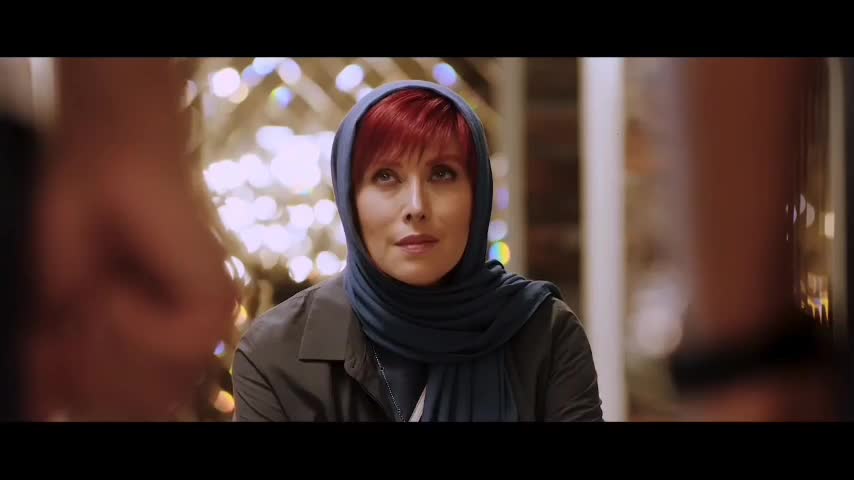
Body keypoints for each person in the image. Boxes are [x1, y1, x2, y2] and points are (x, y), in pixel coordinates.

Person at [232, 80, 603, 422]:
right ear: (350, 199)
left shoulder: (543, 332)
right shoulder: (275, 353)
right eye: (385, 176)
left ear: (477, 195)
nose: (416, 206)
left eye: (441, 174)